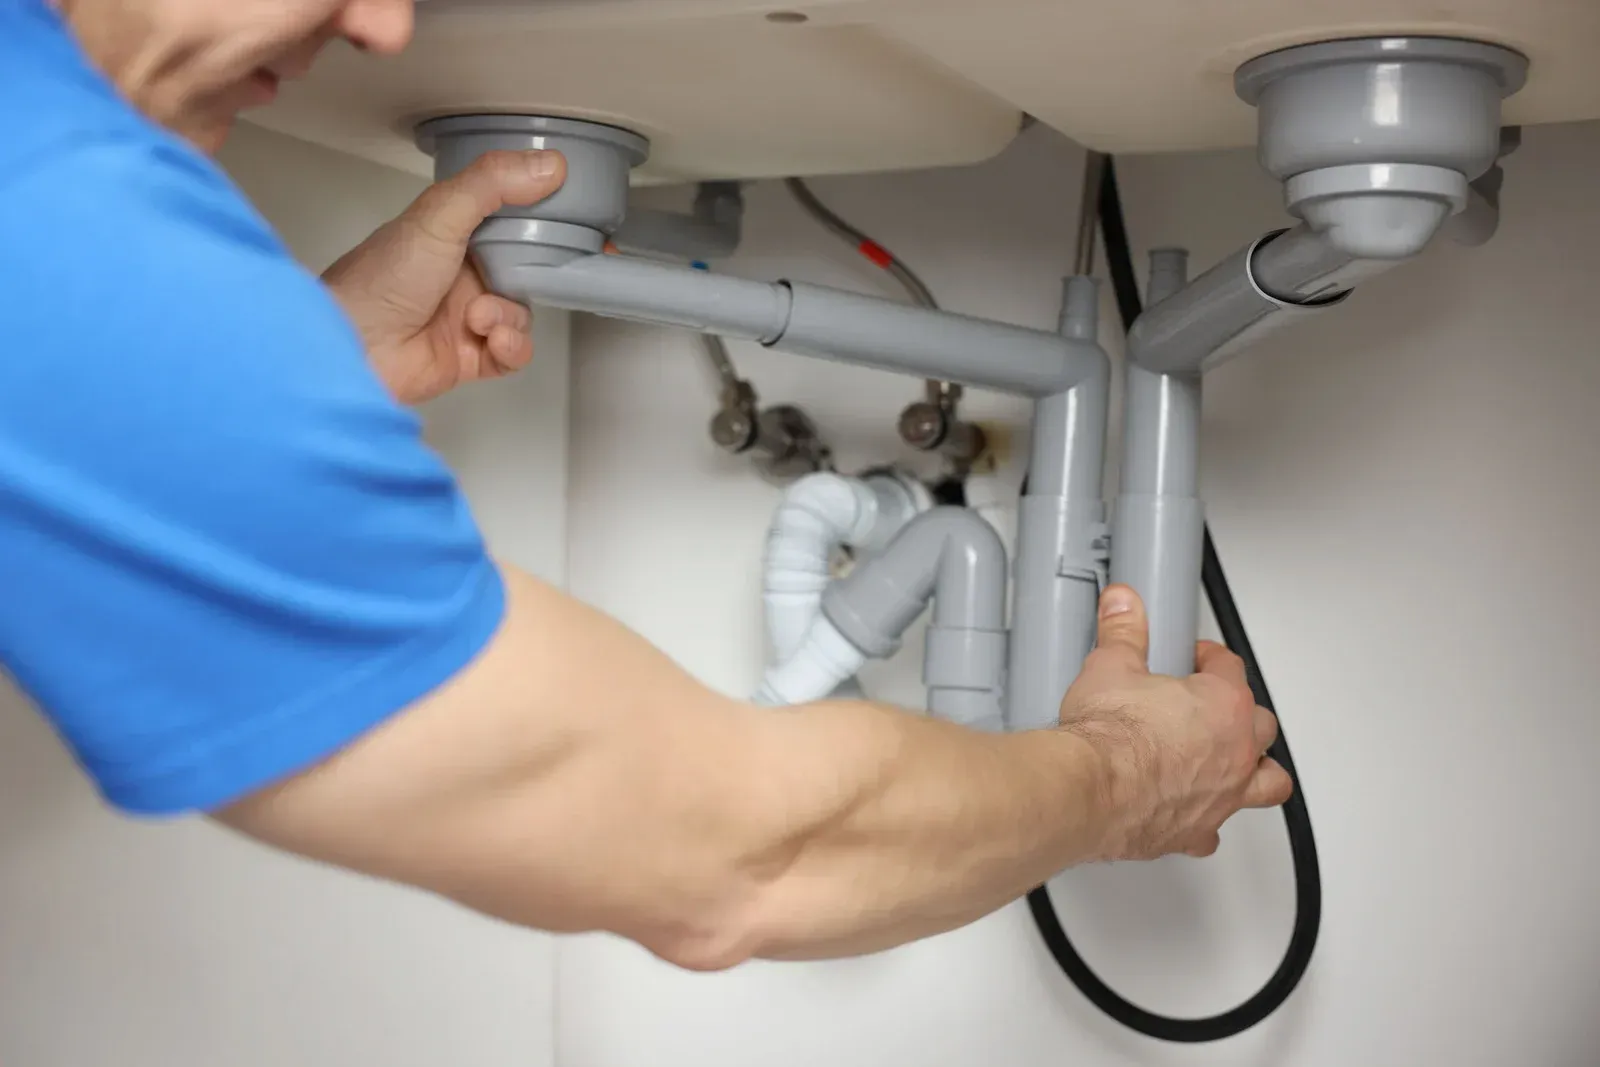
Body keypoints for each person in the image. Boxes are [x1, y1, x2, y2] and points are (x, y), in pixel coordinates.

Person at [1, 0, 1291, 972]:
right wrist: (1126, 777)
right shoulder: (50, 213)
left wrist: (293, 370)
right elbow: (733, 855)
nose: (385, 23)